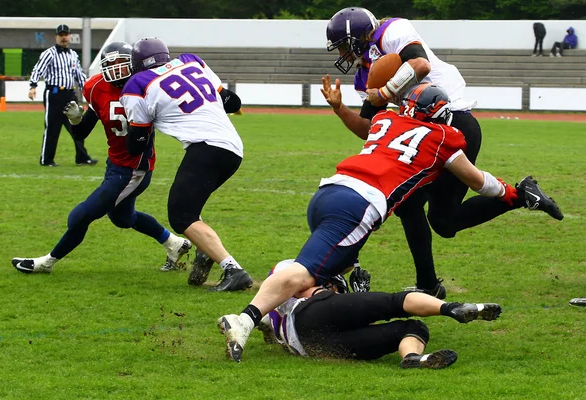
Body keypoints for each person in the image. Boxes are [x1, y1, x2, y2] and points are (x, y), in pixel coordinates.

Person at [217, 83, 557, 362]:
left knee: (336, 265)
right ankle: (246, 318)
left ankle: (272, 318)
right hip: (360, 204)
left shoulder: (385, 120)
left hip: (329, 191)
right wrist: (509, 192)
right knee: (305, 271)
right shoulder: (443, 136)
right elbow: (478, 182)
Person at [321, 7, 563, 299]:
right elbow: (371, 128)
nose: (344, 54)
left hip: (452, 123)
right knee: (431, 216)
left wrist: (384, 93)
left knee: (435, 216)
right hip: (422, 131)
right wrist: (339, 108)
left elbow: (420, 64)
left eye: (346, 46)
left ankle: (517, 197)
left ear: (359, 37)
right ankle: (431, 282)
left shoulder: (392, 31)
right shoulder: (365, 74)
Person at [11, 41, 191, 274]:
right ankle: (175, 244)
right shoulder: (96, 86)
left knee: (81, 215)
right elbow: (82, 132)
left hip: (135, 168)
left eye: (121, 65)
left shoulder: (147, 87)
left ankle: (46, 263)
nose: (116, 71)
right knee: (123, 218)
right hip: (115, 163)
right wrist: (76, 120)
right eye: (110, 65)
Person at [120, 37, 253, 292]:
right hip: (232, 147)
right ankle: (206, 250)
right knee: (189, 207)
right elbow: (232, 102)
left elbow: (137, 142)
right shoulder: (191, 61)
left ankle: (233, 270)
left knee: (181, 215)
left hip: (207, 147)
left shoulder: (137, 84)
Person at [253, 259, 501, 368]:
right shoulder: (293, 268)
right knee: (394, 302)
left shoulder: (273, 312)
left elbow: (361, 322)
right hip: (308, 315)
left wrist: (357, 292)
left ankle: (414, 359)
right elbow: (305, 292)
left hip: (314, 347)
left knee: (412, 328)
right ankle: (451, 308)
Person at [28, 24, 97, 167]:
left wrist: (89, 91)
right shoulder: (49, 53)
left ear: (69, 36)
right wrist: (33, 85)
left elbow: (79, 75)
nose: (64, 37)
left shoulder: (73, 55)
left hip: (70, 94)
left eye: (66, 35)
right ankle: (46, 160)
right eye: (61, 35)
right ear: (56, 37)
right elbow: (38, 69)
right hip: (54, 94)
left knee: (77, 126)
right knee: (52, 128)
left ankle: (82, 157)